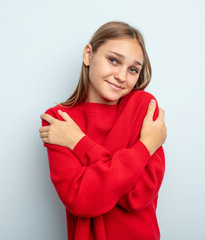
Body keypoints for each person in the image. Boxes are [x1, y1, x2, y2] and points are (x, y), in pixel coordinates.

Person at [39, 21, 167, 240]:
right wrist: (146, 146)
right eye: (113, 60)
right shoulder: (59, 120)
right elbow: (82, 200)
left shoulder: (143, 107)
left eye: (133, 69)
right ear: (88, 55)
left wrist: (79, 143)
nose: (121, 76)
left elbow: (137, 195)